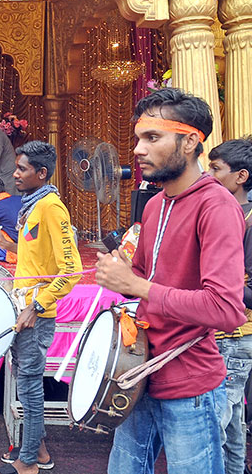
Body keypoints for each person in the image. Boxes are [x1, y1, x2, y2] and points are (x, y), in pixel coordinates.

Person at [95, 89, 246, 474]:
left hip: (190, 384)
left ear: (191, 140)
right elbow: (145, 277)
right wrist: (124, 273)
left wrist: (136, 285)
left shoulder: (216, 206)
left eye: (152, 138)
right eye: (138, 138)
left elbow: (226, 310)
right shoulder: (157, 203)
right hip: (139, 373)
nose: (137, 150)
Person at [0, 140, 82, 474]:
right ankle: (37, 450)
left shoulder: (52, 207)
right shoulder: (34, 203)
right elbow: (37, 255)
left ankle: (27, 462)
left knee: (29, 387)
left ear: (41, 174)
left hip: (35, 316)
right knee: (25, 382)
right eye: (16, 167)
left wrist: (36, 307)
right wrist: (10, 245)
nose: (14, 174)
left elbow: (70, 272)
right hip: (22, 308)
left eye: (22, 169)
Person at [207, 137, 252, 474]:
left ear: (241, 176)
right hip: (226, 331)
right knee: (232, 420)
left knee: (216, 421)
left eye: (216, 169)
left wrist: (219, 288)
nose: (209, 174)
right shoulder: (230, 213)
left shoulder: (249, 222)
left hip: (237, 334)